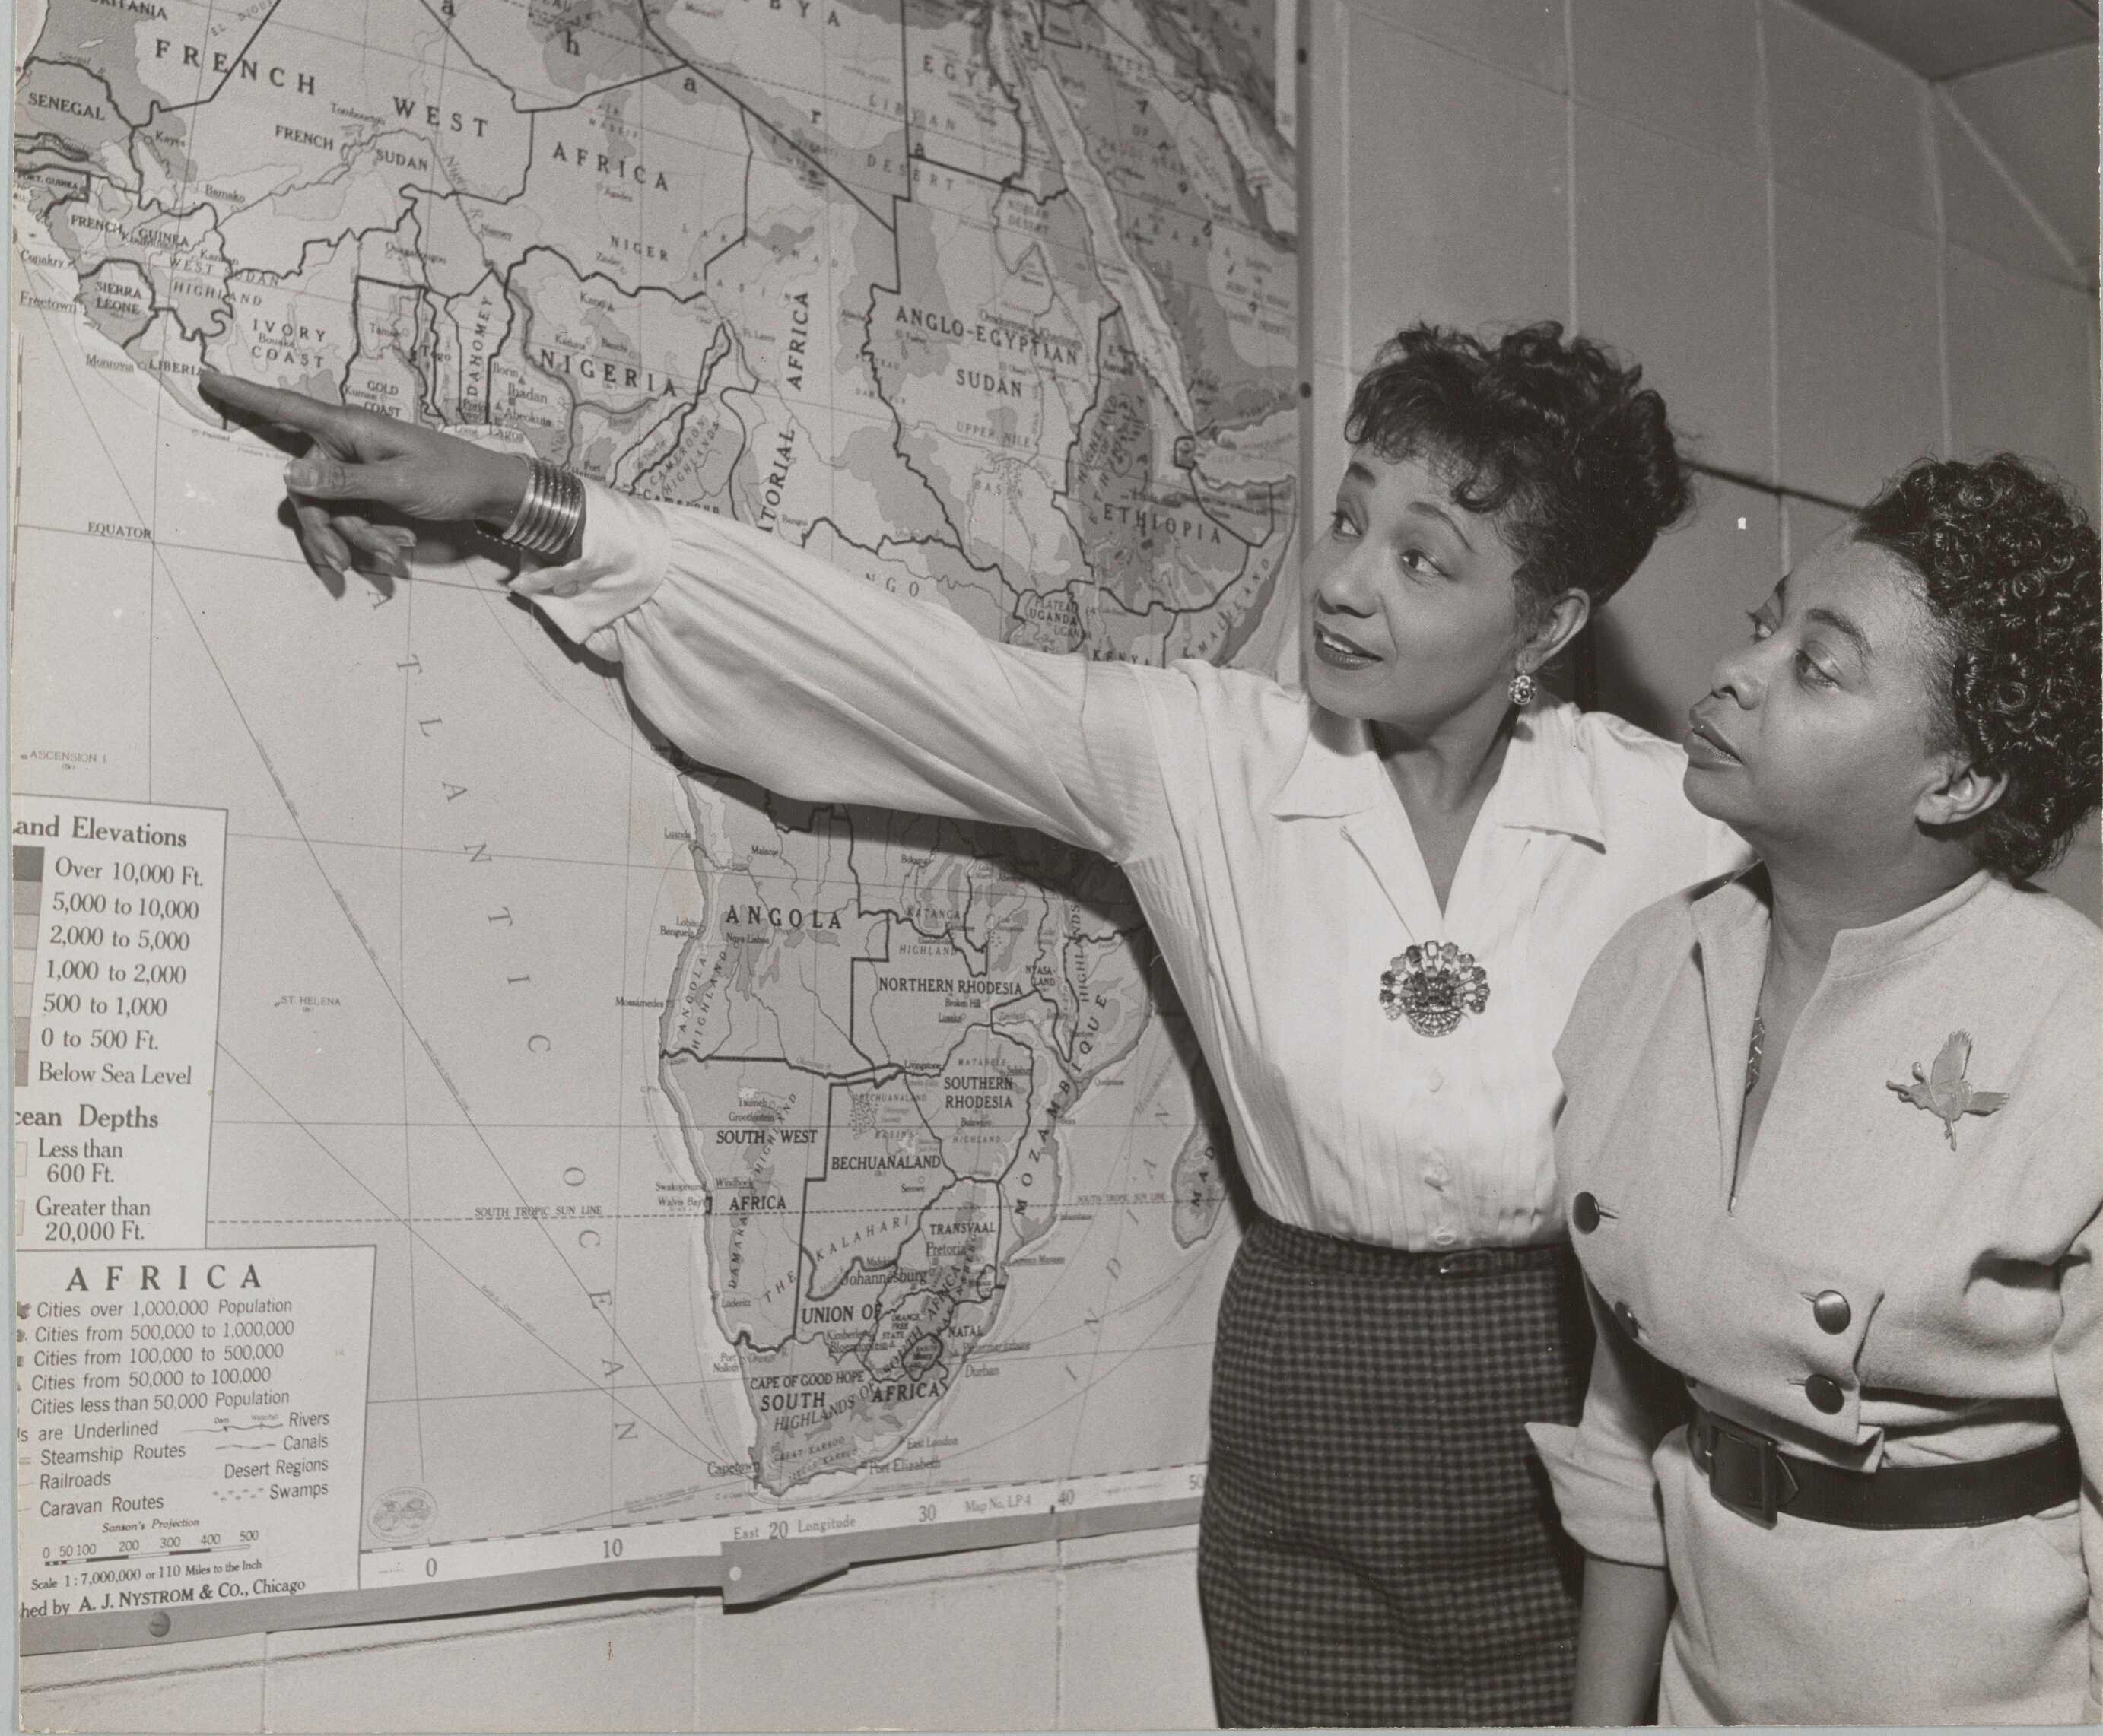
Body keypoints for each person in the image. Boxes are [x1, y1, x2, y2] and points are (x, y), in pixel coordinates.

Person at [202, 322, 1744, 1727]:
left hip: (1566, 1398)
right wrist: (520, 502)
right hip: (1308, 1387)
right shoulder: (1199, 757)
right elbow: (903, 676)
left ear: (1546, 624)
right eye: (1351, 518)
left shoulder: (1668, 816)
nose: (1345, 579)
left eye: (1427, 558)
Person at [1530, 453, 2103, 1725]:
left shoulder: (2075, 1027)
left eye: (1817, 664)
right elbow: (1629, 1424)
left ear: (1955, 781)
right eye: (1762, 626)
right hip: (1704, 1681)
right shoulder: (1641, 973)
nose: (1738, 670)